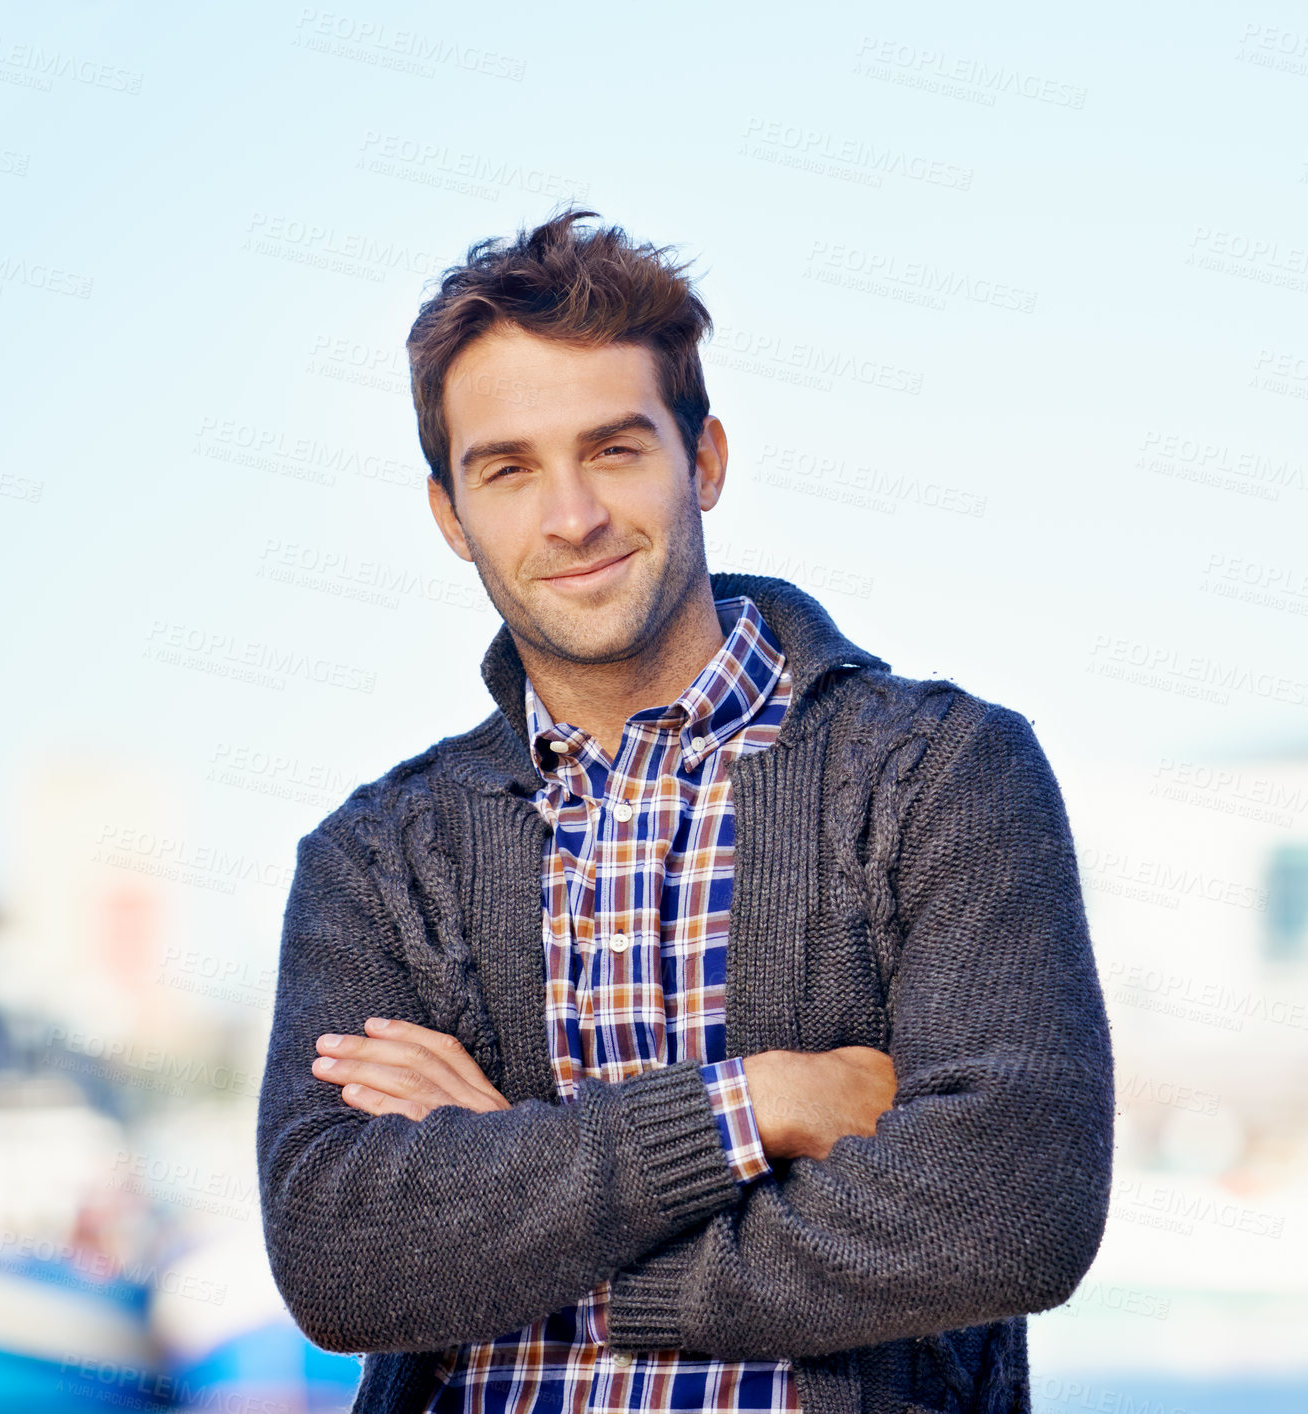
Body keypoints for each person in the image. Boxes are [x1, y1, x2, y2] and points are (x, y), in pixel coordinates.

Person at [256, 207, 1115, 1414]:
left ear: (701, 458)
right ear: (451, 515)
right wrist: (761, 1103)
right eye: (507, 469)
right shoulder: (379, 856)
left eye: (613, 449)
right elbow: (341, 1258)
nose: (571, 517)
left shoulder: (940, 774)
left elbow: (1013, 1205)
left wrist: (532, 1212)